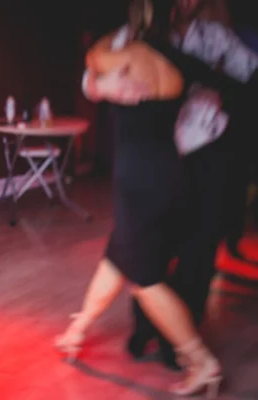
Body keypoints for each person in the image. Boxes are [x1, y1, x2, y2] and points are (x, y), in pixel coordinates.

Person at [55, 0, 250, 396]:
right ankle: (77, 330)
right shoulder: (181, 60)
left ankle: (200, 361)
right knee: (117, 256)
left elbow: (92, 57)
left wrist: (99, 82)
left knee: (145, 280)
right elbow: (228, 81)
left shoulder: (123, 55)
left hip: (138, 180)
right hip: (170, 172)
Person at [125, 0, 258, 370]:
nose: (184, 2)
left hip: (209, 151)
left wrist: (212, 81)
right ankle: (145, 324)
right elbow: (100, 78)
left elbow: (248, 77)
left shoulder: (216, 35)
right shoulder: (141, 36)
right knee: (154, 241)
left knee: (199, 247)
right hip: (160, 151)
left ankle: (181, 338)